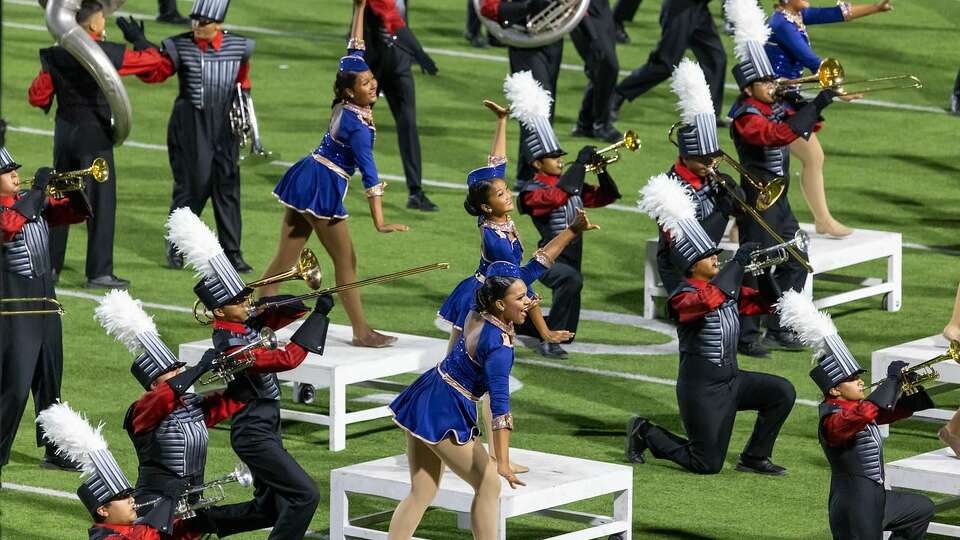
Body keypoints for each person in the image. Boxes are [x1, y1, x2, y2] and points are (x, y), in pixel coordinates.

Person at [167, 207, 332, 539]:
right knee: (305, 496)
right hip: (253, 431)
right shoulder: (229, 342)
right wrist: (321, 317)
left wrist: (262, 305)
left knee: (270, 508)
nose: (246, 303)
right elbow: (287, 359)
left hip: (266, 426)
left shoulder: (245, 323)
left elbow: (292, 309)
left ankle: (199, 524)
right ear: (218, 310)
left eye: (245, 297)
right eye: (238, 301)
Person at [261, 0, 407, 349]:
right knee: (346, 259)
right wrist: (380, 222)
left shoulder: (348, 98)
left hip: (306, 173)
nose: (373, 85)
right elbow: (370, 177)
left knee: (285, 258)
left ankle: (256, 318)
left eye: (372, 80)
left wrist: (358, 9)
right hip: (323, 186)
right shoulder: (357, 126)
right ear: (349, 91)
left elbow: (354, 47)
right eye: (366, 83)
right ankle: (361, 331)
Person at [628, 173, 795, 475]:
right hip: (702, 390)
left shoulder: (726, 288)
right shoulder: (682, 298)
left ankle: (755, 456)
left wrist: (767, 271)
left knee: (782, 391)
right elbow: (710, 299)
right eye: (710, 256)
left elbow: (768, 304)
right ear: (693, 265)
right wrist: (738, 264)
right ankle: (645, 432)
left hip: (733, 380)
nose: (717, 258)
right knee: (706, 464)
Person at [726, 0, 839, 355]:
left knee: (797, 261)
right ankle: (746, 336)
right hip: (759, 202)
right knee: (755, 267)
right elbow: (777, 136)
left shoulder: (772, 104)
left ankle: (778, 324)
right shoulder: (746, 115)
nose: (773, 84)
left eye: (772, 79)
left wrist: (810, 102)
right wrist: (815, 104)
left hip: (780, 199)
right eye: (765, 81)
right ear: (749, 88)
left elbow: (807, 129)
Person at [93, 290, 254, 538]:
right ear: (154, 384)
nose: (181, 372)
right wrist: (200, 367)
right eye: (173, 370)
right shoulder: (142, 410)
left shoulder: (189, 404)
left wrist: (241, 363)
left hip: (189, 497)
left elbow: (235, 400)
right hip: (155, 504)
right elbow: (165, 396)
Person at [27, 1, 166, 288]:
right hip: (95, 137)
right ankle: (99, 272)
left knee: (60, 200)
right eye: (102, 18)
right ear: (92, 25)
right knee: (101, 204)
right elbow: (153, 61)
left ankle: (50, 268)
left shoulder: (56, 54)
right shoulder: (105, 52)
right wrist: (138, 39)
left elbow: (38, 97)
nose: (104, 21)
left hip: (64, 135)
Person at [776, 290, 936, 539]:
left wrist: (909, 387)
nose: (861, 382)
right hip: (854, 504)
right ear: (834, 389)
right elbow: (866, 413)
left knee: (920, 509)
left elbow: (893, 412)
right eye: (852, 380)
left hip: (876, 497)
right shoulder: (833, 421)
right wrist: (891, 382)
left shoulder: (854, 410)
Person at [438, 94, 587, 356]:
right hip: (486, 302)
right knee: (467, 365)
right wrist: (545, 332)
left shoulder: (490, 215)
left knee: (462, 366)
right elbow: (527, 279)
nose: (508, 194)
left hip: (489, 291)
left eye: (506, 190)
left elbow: (496, 165)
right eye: (500, 194)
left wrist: (502, 121)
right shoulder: (497, 242)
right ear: (486, 206)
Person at [388, 274, 530, 539]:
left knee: (423, 490)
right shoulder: (499, 349)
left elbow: (528, 271)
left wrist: (569, 234)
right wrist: (503, 462)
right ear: (500, 304)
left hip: (428, 390)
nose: (529, 302)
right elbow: (500, 408)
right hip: (446, 409)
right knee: (488, 483)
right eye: (521, 298)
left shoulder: (477, 311)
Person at [127, 0, 255, 274]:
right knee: (192, 185)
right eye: (194, 20)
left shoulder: (239, 47)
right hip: (190, 123)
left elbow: (243, 83)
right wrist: (141, 43)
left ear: (218, 24)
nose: (196, 26)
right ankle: (176, 245)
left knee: (228, 187)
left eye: (203, 22)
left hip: (225, 122)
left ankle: (232, 253)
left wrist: (245, 120)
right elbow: (155, 74)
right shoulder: (180, 45)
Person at [764, 0, 890, 238]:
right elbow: (812, 61)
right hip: (772, 105)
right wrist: (841, 91)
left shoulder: (794, 17)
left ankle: (743, 226)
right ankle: (823, 220)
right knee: (809, 157)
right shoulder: (782, 24)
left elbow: (836, 13)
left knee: (771, 167)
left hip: (784, 101)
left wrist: (876, 7)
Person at [515, 79, 621, 359]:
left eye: (561, 156)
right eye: (553, 157)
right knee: (570, 280)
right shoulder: (531, 192)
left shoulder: (569, 183)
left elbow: (609, 196)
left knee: (574, 282)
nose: (560, 160)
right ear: (537, 163)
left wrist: (599, 169)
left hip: (572, 256)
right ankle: (549, 339)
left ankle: (543, 329)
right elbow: (557, 197)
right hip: (546, 259)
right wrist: (578, 165)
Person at [0, 147, 88, 473]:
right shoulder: (19, 207)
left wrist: (74, 187)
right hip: (14, 314)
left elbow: (76, 214)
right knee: (14, 386)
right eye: (7, 171)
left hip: (46, 306)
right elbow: (9, 226)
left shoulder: (32, 204)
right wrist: (37, 191)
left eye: (15, 169)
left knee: (50, 383)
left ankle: (55, 449)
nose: (14, 174)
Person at [651, 58, 740, 298]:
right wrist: (722, 210)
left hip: (709, 259)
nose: (710, 165)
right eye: (703, 160)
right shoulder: (667, 191)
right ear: (685, 156)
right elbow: (687, 245)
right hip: (682, 267)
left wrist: (737, 195)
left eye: (713, 159)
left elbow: (743, 212)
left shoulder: (710, 174)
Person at [36, 402, 179, 540]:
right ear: (103, 510)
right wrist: (163, 510)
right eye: (123, 497)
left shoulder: (137, 528)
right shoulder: (103, 537)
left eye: (129, 494)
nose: (131, 500)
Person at [365, 0, 440, 211]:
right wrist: (419, 51)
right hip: (370, 64)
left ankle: (416, 192)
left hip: (398, 61)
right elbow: (392, 19)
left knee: (408, 124)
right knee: (354, 125)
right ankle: (329, 179)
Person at [479, 0, 564, 187]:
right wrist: (528, 6)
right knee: (535, 109)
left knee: (547, 104)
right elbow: (488, 8)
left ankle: (528, 172)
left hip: (554, 35)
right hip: (523, 39)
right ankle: (535, 174)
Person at [610, 0, 727, 125]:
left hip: (698, 7)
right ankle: (617, 94)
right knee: (665, 64)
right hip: (679, 8)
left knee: (716, 58)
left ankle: (708, 114)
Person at [569, 0, 622, 143]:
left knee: (599, 68)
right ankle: (602, 124)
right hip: (580, 9)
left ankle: (584, 124)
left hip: (602, 8)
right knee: (608, 66)